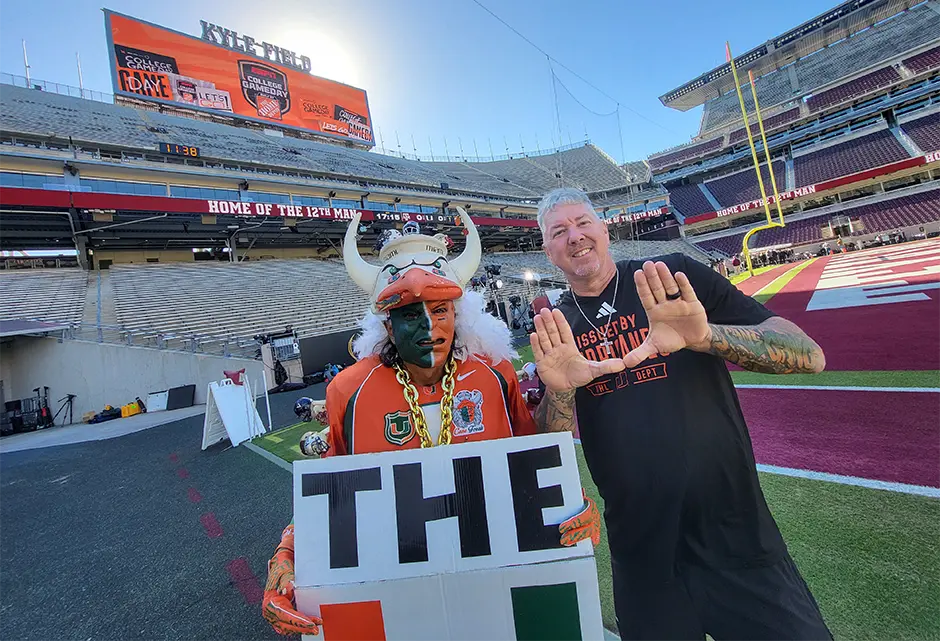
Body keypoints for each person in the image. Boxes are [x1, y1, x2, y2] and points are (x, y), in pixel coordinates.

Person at [261, 208, 601, 637]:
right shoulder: (348, 390)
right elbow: (333, 494)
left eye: (440, 309)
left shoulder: (495, 374)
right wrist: (286, 552)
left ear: (459, 312)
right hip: (401, 595)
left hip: (494, 588)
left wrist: (570, 500)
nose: (428, 326)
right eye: (409, 312)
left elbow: (531, 459)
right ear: (387, 322)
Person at [530, 187, 832, 641]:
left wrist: (704, 336)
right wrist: (559, 391)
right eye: (559, 231)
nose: (574, 237)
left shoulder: (670, 276)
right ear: (548, 250)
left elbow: (810, 355)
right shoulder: (556, 325)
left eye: (582, 223)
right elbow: (546, 440)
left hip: (734, 530)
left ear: (604, 228)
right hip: (642, 553)